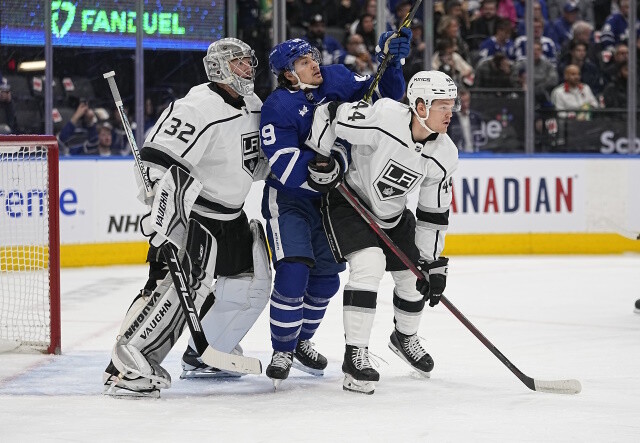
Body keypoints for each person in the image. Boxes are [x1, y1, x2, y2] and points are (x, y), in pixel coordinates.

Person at [102, 38, 271, 398]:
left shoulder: (253, 105)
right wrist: (160, 208)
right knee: (171, 290)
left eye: (248, 62)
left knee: (250, 285)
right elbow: (156, 160)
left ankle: (206, 352)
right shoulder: (196, 106)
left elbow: (252, 164)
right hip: (194, 216)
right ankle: (126, 365)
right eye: (240, 63)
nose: (248, 69)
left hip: (232, 216)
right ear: (219, 68)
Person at [259, 32, 410, 387]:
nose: (314, 65)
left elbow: (384, 97)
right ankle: (282, 348)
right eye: (303, 62)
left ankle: (301, 341)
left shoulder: (338, 78)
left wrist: (390, 62)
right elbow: (286, 167)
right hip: (289, 201)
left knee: (326, 280)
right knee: (294, 272)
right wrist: (327, 161)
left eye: (313, 57)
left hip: (331, 203)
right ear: (287, 74)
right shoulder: (277, 106)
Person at [305, 70, 459, 394]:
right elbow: (330, 114)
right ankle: (355, 356)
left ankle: (404, 337)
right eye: (441, 105)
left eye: (452, 105)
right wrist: (321, 158)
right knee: (369, 265)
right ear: (419, 106)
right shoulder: (385, 117)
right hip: (351, 202)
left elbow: (433, 214)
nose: (450, 112)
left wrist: (431, 262)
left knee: (413, 277)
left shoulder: (445, 153)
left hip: (393, 214)